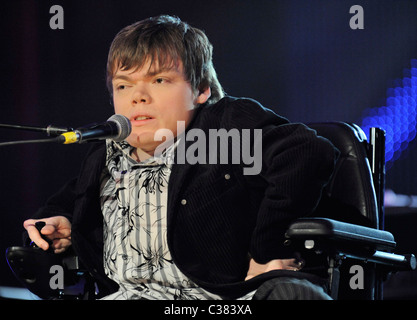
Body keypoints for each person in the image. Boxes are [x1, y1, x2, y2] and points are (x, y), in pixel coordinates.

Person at [23, 15, 338, 300]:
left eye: (159, 80)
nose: (138, 95)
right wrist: (60, 224)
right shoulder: (105, 156)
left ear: (200, 90)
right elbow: (67, 202)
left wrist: (267, 249)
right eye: (123, 85)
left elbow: (307, 153)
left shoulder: (222, 127)